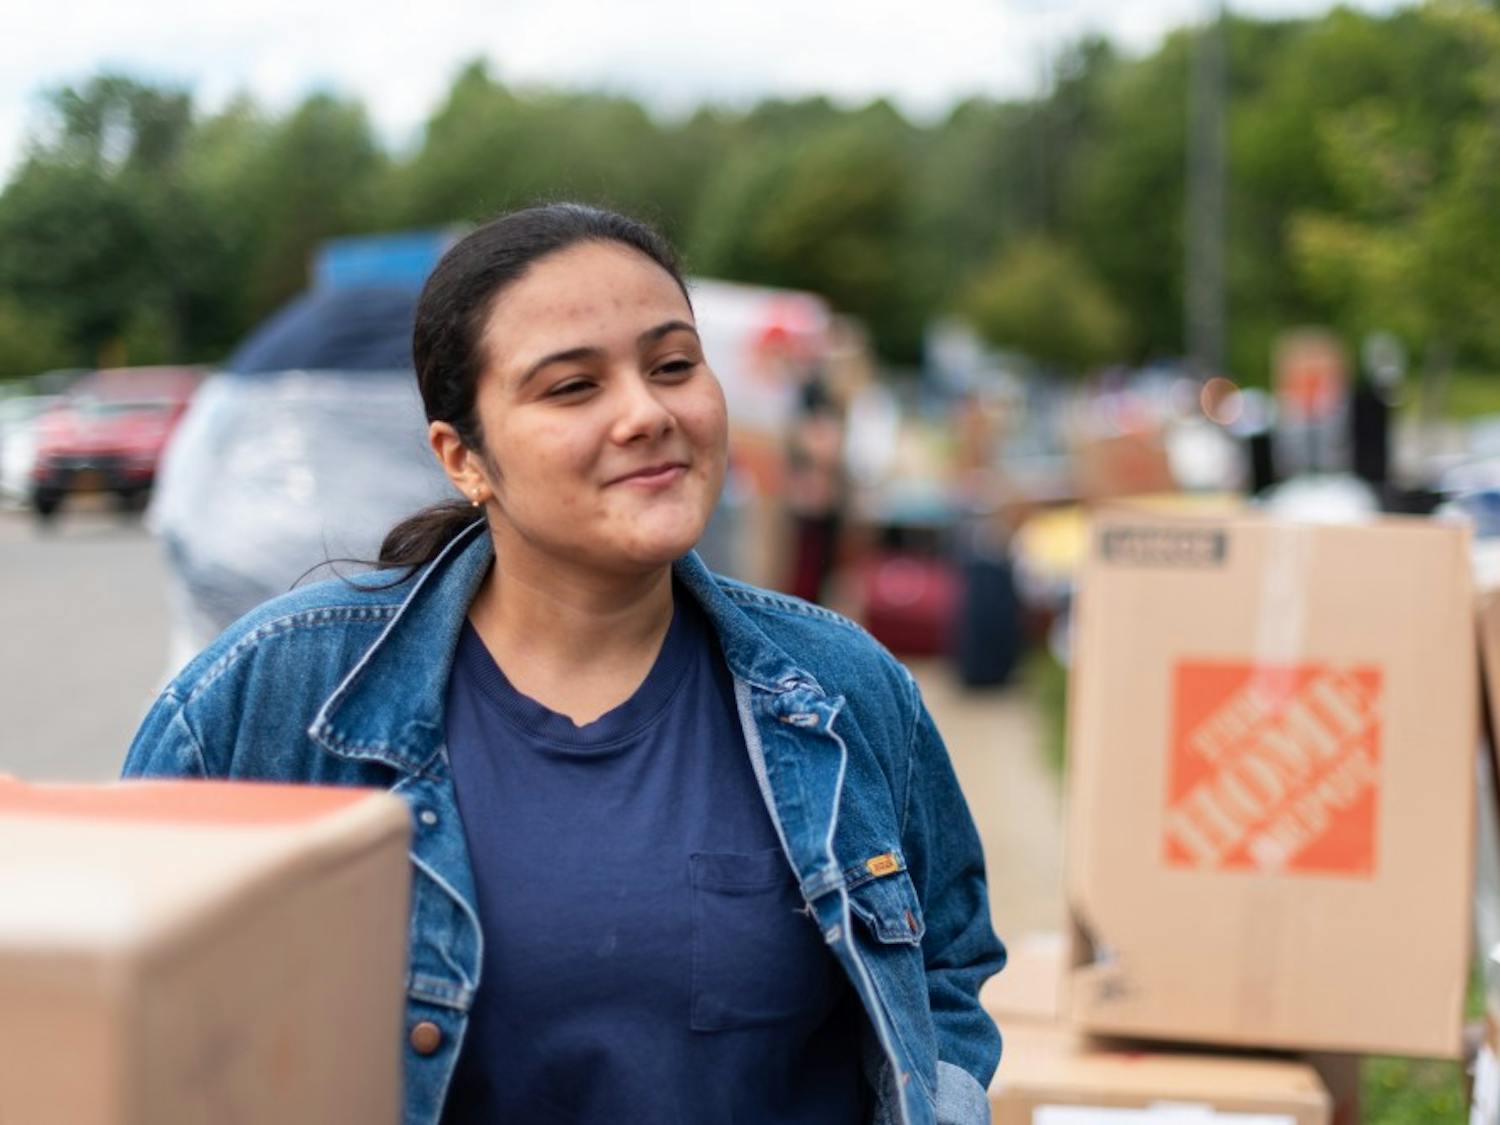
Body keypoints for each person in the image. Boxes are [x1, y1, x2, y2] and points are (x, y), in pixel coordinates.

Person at [122, 203, 1005, 1125]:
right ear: (464, 458)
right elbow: (128, 1007)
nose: (647, 413)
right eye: (574, 387)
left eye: (673, 366)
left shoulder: (844, 689)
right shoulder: (269, 698)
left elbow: (945, 963)